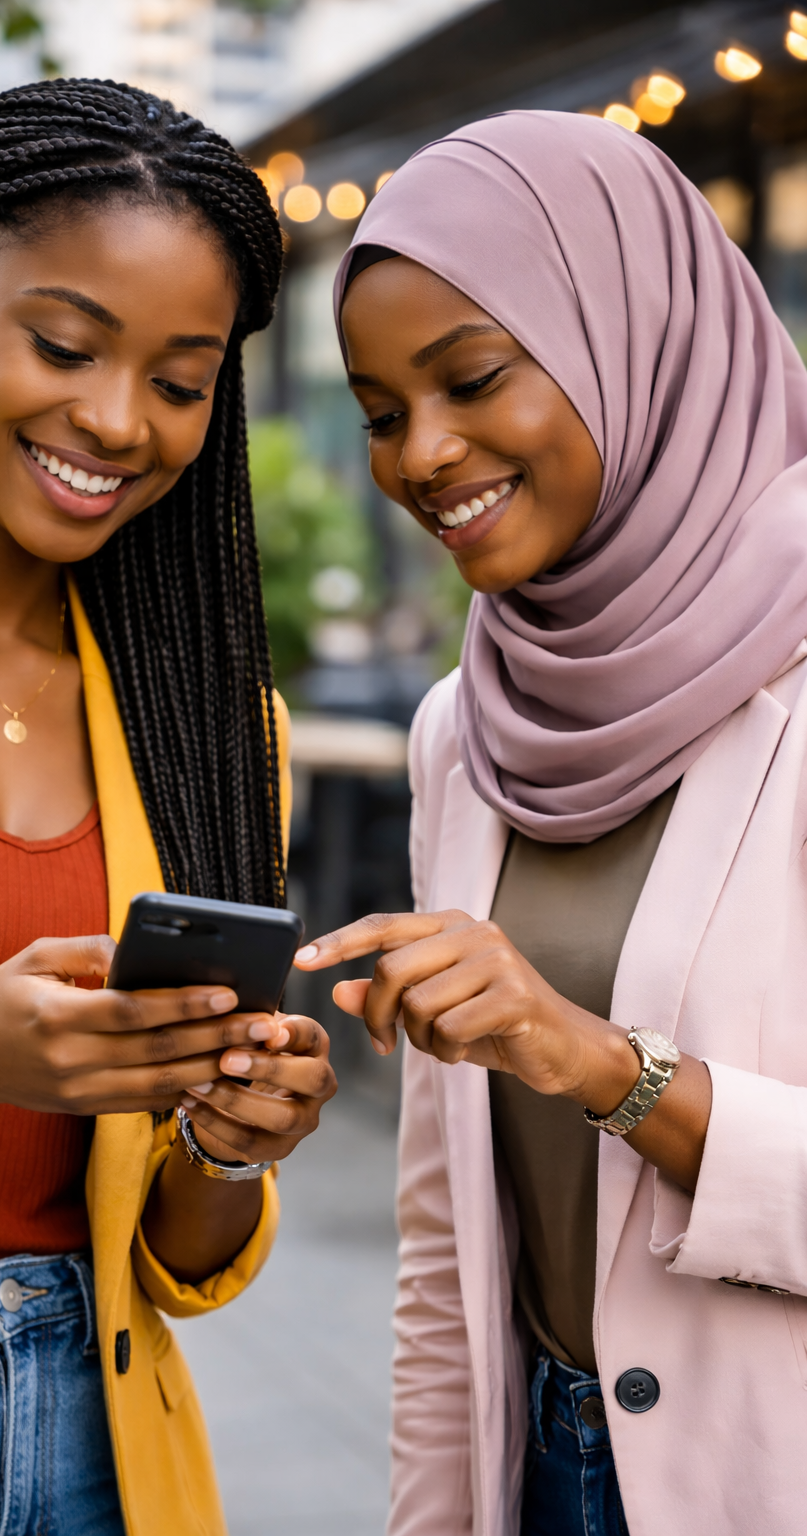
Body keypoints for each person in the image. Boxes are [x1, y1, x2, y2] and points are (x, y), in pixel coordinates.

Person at [0, 79, 335, 1536]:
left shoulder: (214, 727)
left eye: (180, 380)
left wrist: (230, 1140)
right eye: (67, 345)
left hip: (104, 1455)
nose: (115, 420)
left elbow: (177, 1262)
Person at [294, 110, 807, 1536]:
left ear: (634, 341)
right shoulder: (465, 729)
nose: (421, 454)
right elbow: (445, 1248)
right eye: (379, 413)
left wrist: (599, 1066)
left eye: (471, 380)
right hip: (537, 1465)